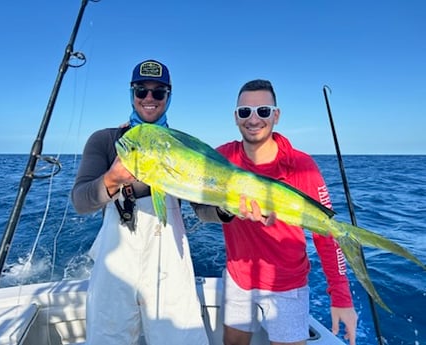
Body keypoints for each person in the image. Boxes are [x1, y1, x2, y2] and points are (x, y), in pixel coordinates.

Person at [193, 79, 357, 345]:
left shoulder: (302, 166)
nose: (254, 119)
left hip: (288, 287)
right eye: (245, 112)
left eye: (264, 111)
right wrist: (226, 209)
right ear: (236, 118)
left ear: (276, 115)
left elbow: (327, 234)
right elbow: (199, 208)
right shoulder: (220, 159)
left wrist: (341, 299)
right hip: (238, 281)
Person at [71, 59, 209, 345]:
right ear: (131, 94)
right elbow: (81, 202)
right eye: (141, 91)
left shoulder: (182, 147)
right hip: (116, 269)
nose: (149, 98)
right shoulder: (106, 140)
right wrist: (112, 178)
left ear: (168, 97)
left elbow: (204, 208)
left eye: (158, 93)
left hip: (169, 267)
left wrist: (229, 207)